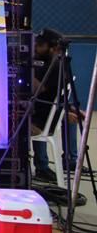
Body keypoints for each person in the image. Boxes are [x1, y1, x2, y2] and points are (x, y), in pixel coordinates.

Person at [31, 28, 80, 181]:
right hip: (46, 114)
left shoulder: (54, 66)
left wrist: (24, 67)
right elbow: (54, 96)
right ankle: (68, 160)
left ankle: (42, 167)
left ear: (53, 48)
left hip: (40, 119)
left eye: (40, 44)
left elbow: (37, 90)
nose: (35, 46)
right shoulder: (56, 64)